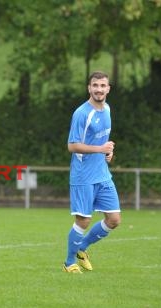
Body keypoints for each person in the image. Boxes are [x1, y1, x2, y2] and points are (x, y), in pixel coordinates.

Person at [63, 71, 121, 273]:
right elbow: (72, 146)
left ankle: (82, 248)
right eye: (95, 85)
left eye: (102, 86)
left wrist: (108, 152)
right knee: (83, 220)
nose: (99, 89)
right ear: (89, 88)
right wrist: (100, 149)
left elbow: (102, 141)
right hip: (83, 175)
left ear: (108, 89)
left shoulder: (107, 109)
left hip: (102, 173)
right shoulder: (81, 113)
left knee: (114, 219)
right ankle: (69, 263)